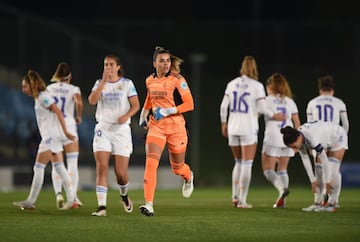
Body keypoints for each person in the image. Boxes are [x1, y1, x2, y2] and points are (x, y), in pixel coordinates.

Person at [220, 56, 285, 208]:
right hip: (248, 127)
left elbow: (224, 106)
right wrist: (275, 115)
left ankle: (235, 197)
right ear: (254, 68)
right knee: (247, 164)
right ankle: (242, 200)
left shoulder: (232, 84)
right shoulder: (257, 86)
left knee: (238, 162)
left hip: (233, 127)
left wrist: (224, 123)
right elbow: (262, 109)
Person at [138, 46, 194, 216]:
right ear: (154, 63)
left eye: (168, 61)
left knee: (177, 168)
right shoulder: (149, 80)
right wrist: (143, 113)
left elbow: (189, 104)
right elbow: (150, 98)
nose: (165, 64)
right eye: (161, 61)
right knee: (151, 163)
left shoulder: (177, 80)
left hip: (176, 128)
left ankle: (188, 177)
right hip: (156, 128)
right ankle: (149, 204)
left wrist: (167, 111)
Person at [13, 69, 78, 210]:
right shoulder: (40, 97)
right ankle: (72, 198)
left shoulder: (43, 96)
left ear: (32, 84)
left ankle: (31, 201)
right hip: (52, 136)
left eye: (25, 86)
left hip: (51, 137)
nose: (23, 89)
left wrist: (66, 131)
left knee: (38, 167)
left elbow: (58, 111)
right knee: (60, 167)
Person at [88, 54, 140, 217]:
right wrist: (103, 83)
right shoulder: (99, 83)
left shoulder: (126, 84)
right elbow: (92, 100)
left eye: (111, 65)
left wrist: (126, 116)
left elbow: (136, 105)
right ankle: (101, 207)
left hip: (121, 131)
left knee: (121, 173)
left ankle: (124, 196)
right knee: (102, 168)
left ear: (118, 67)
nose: (108, 68)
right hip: (103, 129)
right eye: (105, 65)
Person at [303, 75, 349, 211]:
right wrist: (343, 138)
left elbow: (310, 124)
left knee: (319, 170)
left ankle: (318, 201)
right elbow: (345, 124)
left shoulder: (312, 103)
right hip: (335, 135)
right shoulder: (339, 102)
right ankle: (333, 201)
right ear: (332, 90)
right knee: (334, 170)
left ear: (320, 90)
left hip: (319, 138)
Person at [280, 121, 348, 212]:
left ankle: (332, 204)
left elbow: (325, 160)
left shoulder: (311, 137)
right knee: (318, 169)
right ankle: (317, 203)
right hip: (325, 139)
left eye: (294, 146)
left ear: (299, 137)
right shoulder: (299, 137)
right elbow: (305, 159)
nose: (294, 150)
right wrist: (312, 181)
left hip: (338, 136)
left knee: (333, 169)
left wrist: (327, 182)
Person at [261, 73, 301, 208]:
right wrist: (298, 142)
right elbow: (297, 122)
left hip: (272, 137)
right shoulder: (290, 102)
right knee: (283, 169)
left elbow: (255, 114)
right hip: (288, 137)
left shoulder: (266, 100)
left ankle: (281, 189)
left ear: (271, 86)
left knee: (267, 169)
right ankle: (282, 200)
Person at [47, 62, 83, 208]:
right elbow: (79, 102)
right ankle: (72, 197)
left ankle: (58, 194)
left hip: (53, 127)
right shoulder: (73, 89)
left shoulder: (49, 88)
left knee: (57, 163)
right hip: (68, 125)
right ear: (70, 76)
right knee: (72, 163)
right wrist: (79, 116)